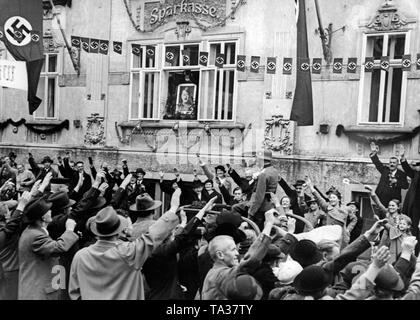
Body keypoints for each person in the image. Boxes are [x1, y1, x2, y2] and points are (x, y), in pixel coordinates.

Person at [68, 190, 182, 300]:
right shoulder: (128, 253)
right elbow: (153, 235)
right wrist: (172, 208)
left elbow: (75, 292)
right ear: (119, 231)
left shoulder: (80, 256)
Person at [201, 209, 279, 300]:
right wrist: (269, 224)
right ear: (220, 255)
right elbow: (249, 261)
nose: (237, 253)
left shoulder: (215, 270)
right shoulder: (220, 274)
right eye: (233, 249)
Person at [18, 196, 79, 300]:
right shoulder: (35, 236)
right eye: (48, 210)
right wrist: (69, 230)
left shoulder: (34, 232)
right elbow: (59, 247)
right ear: (42, 217)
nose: (51, 211)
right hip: (37, 294)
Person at [247, 150, 279, 229]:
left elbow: (259, 196)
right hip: (270, 205)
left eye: (257, 159)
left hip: (260, 209)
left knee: (255, 232)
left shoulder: (263, 174)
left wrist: (251, 212)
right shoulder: (274, 171)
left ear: (262, 160)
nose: (256, 161)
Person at [369, 142, 408, 206]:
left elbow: (406, 186)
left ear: (397, 164)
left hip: (393, 201)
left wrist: (396, 182)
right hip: (380, 199)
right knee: (379, 215)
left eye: (394, 163)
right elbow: (377, 163)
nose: (392, 164)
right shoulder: (385, 170)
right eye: (390, 162)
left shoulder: (401, 174)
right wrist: (374, 153)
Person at [400, 152, 420, 254]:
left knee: (416, 231)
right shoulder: (416, 173)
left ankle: (415, 253)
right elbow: (408, 170)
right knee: (409, 227)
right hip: (411, 205)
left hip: (418, 209)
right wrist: (403, 158)